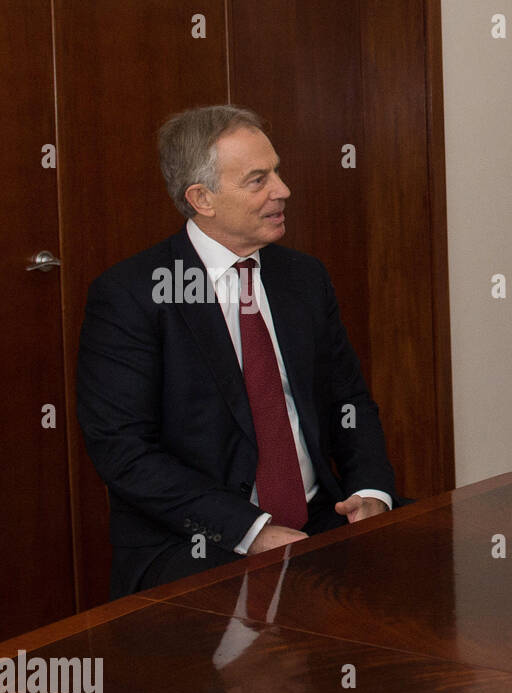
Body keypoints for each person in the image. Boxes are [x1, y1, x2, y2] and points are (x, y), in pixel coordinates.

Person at [77, 105, 397, 598]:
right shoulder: (133, 294)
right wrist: (252, 532)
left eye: (277, 171)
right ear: (201, 198)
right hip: (200, 539)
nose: (283, 189)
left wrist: (371, 491)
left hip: (320, 520)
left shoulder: (304, 278)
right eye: (258, 179)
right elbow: (124, 452)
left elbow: (349, 401)